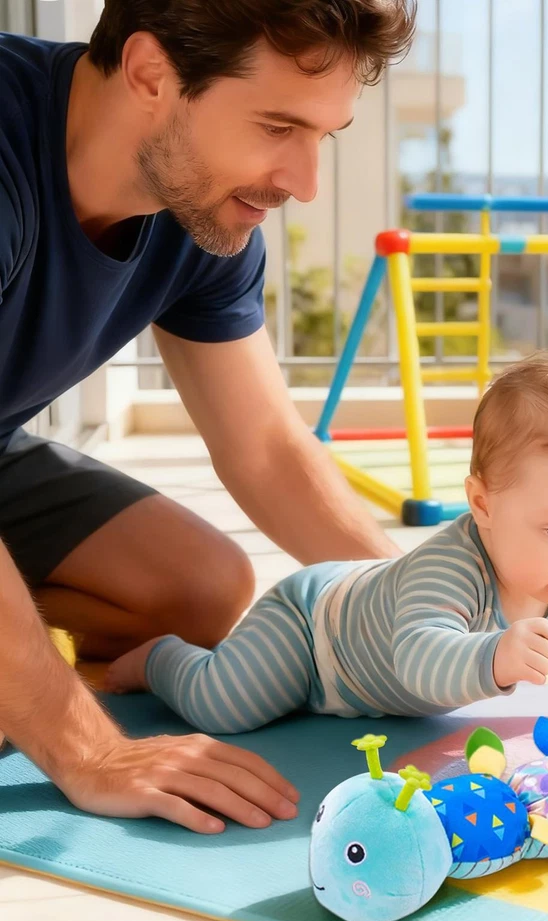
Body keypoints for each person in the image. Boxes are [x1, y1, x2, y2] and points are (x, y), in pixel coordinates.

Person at [0, 1, 416, 834]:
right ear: (151, 73)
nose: (304, 183)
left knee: (202, 589)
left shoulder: (201, 213)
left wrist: (421, 612)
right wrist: (87, 748)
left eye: (322, 137)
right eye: (277, 127)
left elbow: (266, 448)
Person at [105, 351, 548, 732]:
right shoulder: (451, 568)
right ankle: (161, 660)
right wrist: (493, 657)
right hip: (314, 633)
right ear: (484, 504)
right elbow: (416, 660)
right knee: (224, 707)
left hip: (363, 674)